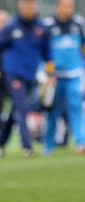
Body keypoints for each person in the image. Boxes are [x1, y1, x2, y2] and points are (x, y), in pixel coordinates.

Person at [0, 0, 54, 157]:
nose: (31, 9)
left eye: (33, 6)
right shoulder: (11, 27)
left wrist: (51, 72)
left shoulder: (41, 28)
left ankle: (0, 143)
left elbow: (48, 53)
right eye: (27, 6)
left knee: (16, 109)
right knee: (23, 106)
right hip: (13, 74)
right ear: (20, 8)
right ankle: (27, 146)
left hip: (31, 76)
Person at [42, 0, 85, 155]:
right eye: (66, 5)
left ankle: (82, 141)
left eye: (71, 5)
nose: (70, 9)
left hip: (74, 74)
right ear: (57, 6)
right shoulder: (48, 25)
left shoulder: (79, 24)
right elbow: (44, 51)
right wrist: (48, 72)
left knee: (76, 108)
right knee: (52, 111)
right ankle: (48, 146)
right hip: (55, 77)